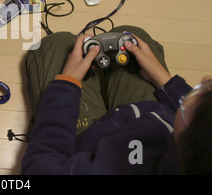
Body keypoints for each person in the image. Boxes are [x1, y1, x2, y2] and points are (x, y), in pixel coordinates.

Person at [21, 25, 212, 174]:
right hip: (149, 116)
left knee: (58, 43)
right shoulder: (196, 151)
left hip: (84, 147)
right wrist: (163, 79)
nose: (206, 78)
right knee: (132, 34)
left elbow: (39, 164)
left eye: (202, 91)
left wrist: (67, 83)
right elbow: (203, 119)